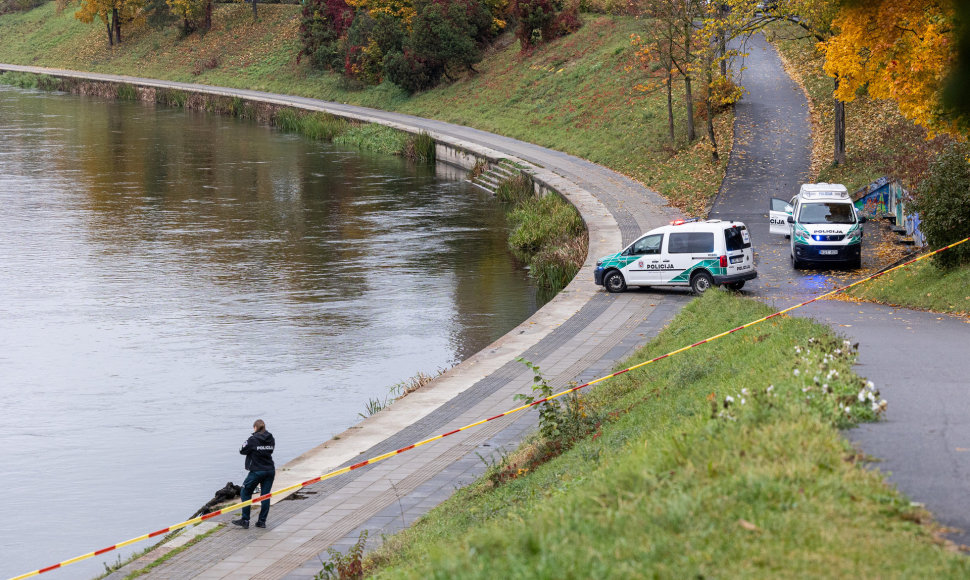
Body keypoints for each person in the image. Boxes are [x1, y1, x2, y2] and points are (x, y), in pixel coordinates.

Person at [232, 419, 275, 529]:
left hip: (257, 471)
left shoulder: (253, 439)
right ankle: (262, 521)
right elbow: (271, 451)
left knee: (245, 492)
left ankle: (245, 520)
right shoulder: (271, 438)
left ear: (255, 427)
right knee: (265, 495)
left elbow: (242, 450)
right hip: (270, 470)